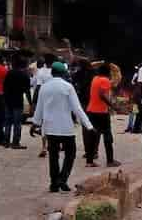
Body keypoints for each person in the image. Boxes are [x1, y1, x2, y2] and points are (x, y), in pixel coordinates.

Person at [32, 62, 94, 192]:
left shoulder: (44, 87)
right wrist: (88, 125)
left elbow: (39, 108)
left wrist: (35, 123)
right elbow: (77, 109)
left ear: (52, 73)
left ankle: (54, 183)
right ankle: (63, 179)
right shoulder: (68, 87)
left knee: (53, 156)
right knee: (70, 154)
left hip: (50, 128)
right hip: (66, 127)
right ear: (63, 73)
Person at [85, 63, 121, 167]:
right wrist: (113, 106)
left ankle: (89, 161)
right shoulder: (104, 80)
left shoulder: (95, 79)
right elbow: (102, 95)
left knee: (93, 136)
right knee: (107, 136)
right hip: (101, 112)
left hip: (91, 110)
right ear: (108, 72)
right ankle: (110, 161)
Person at [3, 56, 33, 149]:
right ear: (23, 65)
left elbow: (4, 87)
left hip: (8, 101)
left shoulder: (9, 73)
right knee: (17, 123)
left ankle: (6, 142)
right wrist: (31, 103)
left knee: (7, 122)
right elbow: (27, 91)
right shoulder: (25, 76)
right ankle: (15, 142)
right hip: (18, 102)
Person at [72, 59, 96, 158]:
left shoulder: (78, 74)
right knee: (94, 126)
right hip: (94, 102)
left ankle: (87, 151)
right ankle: (94, 151)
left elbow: (73, 80)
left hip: (83, 102)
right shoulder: (94, 73)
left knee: (85, 127)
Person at [33, 54, 56, 158]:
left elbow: (38, 87)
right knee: (55, 123)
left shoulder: (40, 72)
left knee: (44, 124)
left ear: (45, 61)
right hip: (56, 100)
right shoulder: (56, 71)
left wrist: (35, 102)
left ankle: (44, 147)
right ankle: (55, 145)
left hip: (45, 100)